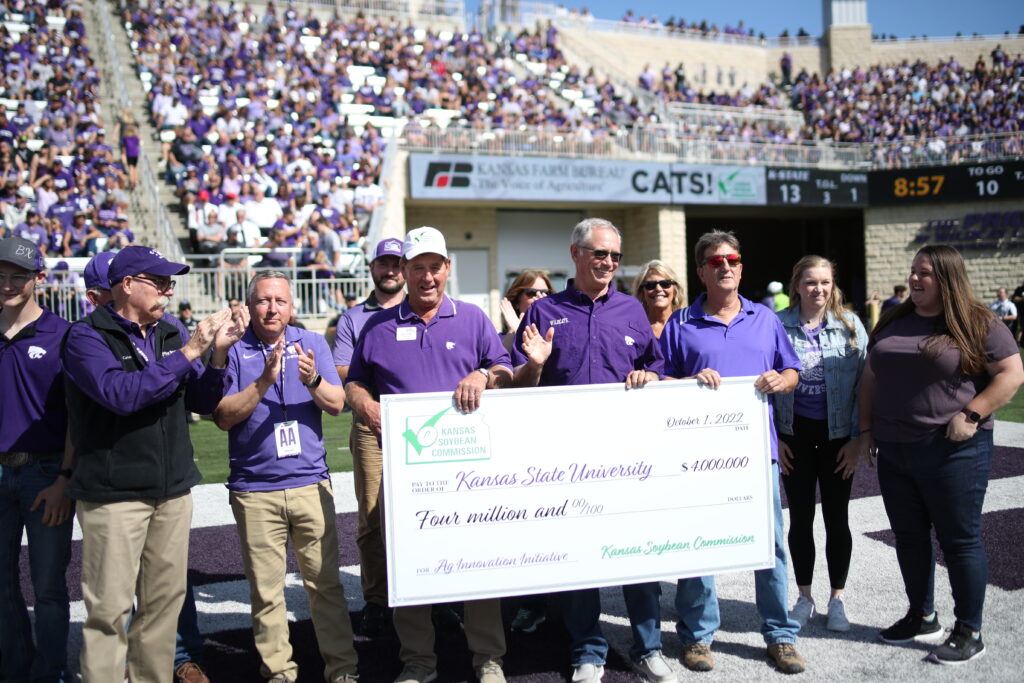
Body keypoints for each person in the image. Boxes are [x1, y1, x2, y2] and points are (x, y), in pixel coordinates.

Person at [61, 246, 245, 682]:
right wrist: (189, 353)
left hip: (173, 490)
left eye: (169, 282)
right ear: (127, 284)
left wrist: (215, 355)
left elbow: (202, 402)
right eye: (158, 281)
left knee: (163, 609)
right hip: (114, 495)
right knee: (108, 611)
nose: (167, 290)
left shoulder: (171, 330)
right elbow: (121, 396)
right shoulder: (87, 335)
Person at [344, 226, 512, 683]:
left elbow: (504, 367)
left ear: (447, 269)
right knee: (410, 565)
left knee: (477, 560)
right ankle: (418, 662)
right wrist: (364, 403)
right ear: (405, 271)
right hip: (407, 468)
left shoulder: (473, 318)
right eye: (417, 267)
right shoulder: (378, 327)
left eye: (434, 267)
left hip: (468, 465)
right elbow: (355, 381)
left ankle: (488, 658)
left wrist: (483, 376)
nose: (426, 277)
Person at [846, 245, 1023, 665]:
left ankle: (970, 630)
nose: (914, 279)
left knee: (959, 540)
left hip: (954, 450)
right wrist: (867, 429)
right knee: (908, 538)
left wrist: (972, 413)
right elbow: (871, 375)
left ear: (946, 277)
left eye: (924, 272)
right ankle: (922, 615)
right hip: (894, 449)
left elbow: (1012, 373)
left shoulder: (978, 321)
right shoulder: (893, 319)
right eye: (912, 271)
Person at [511, 218, 670, 683]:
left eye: (615, 257)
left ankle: (648, 646)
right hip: (566, 457)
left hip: (627, 454)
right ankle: (587, 649)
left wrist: (652, 377)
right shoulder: (544, 311)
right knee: (579, 556)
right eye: (600, 254)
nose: (608, 263)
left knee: (638, 552)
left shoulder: (631, 310)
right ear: (576, 254)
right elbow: (518, 382)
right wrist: (534, 366)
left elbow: (655, 366)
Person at [659, 230, 806, 674]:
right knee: (699, 545)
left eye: (733, 259)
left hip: (755, 456)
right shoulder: (680, 323)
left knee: (769, 546)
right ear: (702, 270)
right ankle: (699, 636)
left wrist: (783, 380)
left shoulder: (765, 318)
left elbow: (792, 368)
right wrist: (688, 382)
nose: (726, 266)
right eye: (715, 260)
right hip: (697, 458)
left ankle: (780, 635)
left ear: (741, 267)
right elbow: (660, 383)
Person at [213, 271, 359, 683]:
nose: (272, 307)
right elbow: (223, 416)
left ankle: (342, 669)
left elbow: (336, 403)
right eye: (263, 300)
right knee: (266, 592)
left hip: (310, 484)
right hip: (255, 489)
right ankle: (279, 671)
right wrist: (264, 381)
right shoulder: (235, 349)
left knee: (325, 586)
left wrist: (311, 378)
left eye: (280, 300)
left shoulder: (311, 343)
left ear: (292, 307)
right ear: (250, 305)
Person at [774, 256, 868, 632]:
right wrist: (774, 439)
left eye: (826, 282)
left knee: (837, 519)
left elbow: (866, 386)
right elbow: (762, 386)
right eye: (811, 282)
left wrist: (858, 440)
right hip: (794, 437)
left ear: (834, 286)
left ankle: (837, 599)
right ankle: (805, 596)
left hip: (837, 439)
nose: (819, 289)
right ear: (796, 285)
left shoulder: (851, 325)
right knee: (800, 518)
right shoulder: (777, 326)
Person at [0, 237, 74, 682]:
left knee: (47, 585)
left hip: (46, 472)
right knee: (2, 586)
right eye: (1, 275)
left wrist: (65, 479)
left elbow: (77, 420)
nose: (7, 284)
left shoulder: (63, 335)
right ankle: (13, 667)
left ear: (38, 279)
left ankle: (52, 671)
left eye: (18, 275)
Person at [332, 237, 405, 636]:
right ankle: (377, 598)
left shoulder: (424, 310)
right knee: (372, 514)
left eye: (397, 263)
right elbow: (342, 369)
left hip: (420, 422)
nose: (391, 270)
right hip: (371, 420)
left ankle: (433, 596)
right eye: (384, 263)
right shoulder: (353, 318)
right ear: (373, 268)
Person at [498, 269, 553, 355]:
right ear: (516, 302)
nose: (539, 297)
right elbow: (498, 362)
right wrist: (515, 332)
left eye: (545, 293)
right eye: (531, 293)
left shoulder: (559, 331)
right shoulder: (500, 339)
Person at [632, 260, 684, 338]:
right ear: (642, 292)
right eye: (650, 285)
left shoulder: (687, 326)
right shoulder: (633, 329)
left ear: (675, 290)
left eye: (665, 284)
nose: (658, 289)